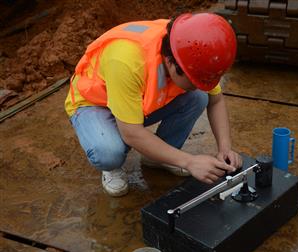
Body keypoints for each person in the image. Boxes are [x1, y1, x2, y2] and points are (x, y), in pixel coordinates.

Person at [64, 12, 243, 197]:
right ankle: (113, 165)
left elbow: (216, 100)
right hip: (94, 103)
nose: (198, 86)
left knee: (198, 97)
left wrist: (225, 148)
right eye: (194, 81)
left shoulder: (187, 45)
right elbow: (131, 134)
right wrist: (189, 161)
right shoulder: (127, 60)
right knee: (109, 152)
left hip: (132, 100)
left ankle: (158, 158)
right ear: (173, 64)